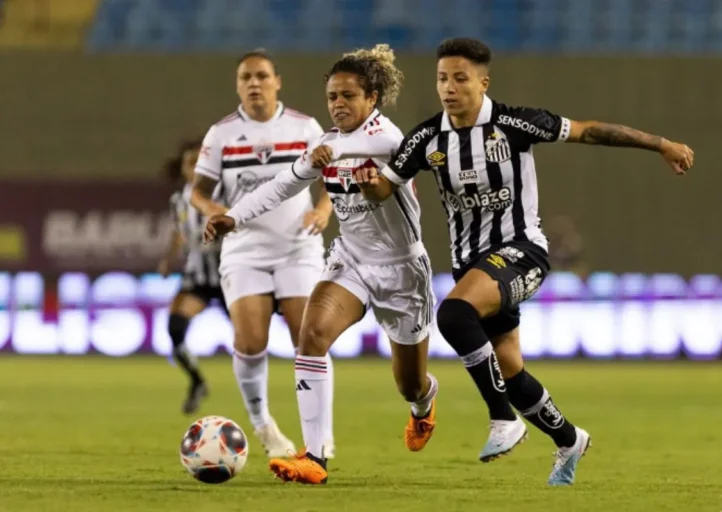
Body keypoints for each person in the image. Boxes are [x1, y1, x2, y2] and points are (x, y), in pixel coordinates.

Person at [353, 38, 695, 486]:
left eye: (460, 78)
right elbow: (385, 187)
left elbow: (590, 131)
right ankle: (569, 439)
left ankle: (502, 419)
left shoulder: (515, 123)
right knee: (509, 369)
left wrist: (661, 144)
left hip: (522, 251)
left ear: (483, 82)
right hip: (471, 265)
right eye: (442, 79)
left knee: (453, 314)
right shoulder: (426, 138)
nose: (449, 88)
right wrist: (366, 181)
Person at [205, 44, 439, 485]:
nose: (338, 104)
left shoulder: (389, 139)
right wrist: (232, 217)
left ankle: (423, 404)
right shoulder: (327, 143)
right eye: (332, 96)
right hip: (351, 261)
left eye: (348, 96)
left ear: (372, 98)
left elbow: (375, 164)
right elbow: (281, 185)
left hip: (402, 270)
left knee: (409, 383)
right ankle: (315, 458)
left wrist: (339, 159)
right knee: (311, 338)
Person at [190, 48, 334, 458]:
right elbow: (198, 192)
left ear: (277, 82)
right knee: (251, 341)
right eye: (246, 77)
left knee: (310, 339)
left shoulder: (305, 127)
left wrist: (324, 210)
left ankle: (320, 437)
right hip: (245, 249)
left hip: (298, 247)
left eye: (262, 76)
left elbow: (332, 178)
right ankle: (262, 424)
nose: (254, 83)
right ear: (238, 86)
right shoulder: (221, 134)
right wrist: (216, 210)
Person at [157, 136, 225, 415]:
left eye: (202, 161)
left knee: (250, 340)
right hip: (197, 278)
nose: (197, 168)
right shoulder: (179, 201)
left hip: (230, 276)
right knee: (175, 329)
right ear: (183, 168)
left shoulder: (225, 193)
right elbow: (179, 233)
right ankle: (197, 381)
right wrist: (168, 260)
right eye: (191, 162)